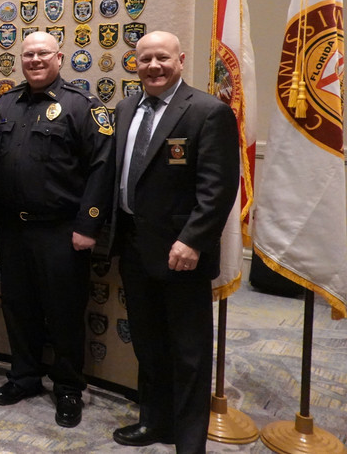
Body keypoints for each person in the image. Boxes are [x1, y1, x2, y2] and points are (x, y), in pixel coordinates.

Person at [110, 31, 238, 453]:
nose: (153, 66)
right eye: (144, 59)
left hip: (182, 253)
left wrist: (193, 240)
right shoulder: (127, 107)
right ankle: (154, 422)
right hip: (134, 246)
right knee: (148, 345)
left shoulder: (207, 111)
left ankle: (188, 441)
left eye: (162, 58)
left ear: (180, 60)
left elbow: (217, 188)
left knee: (189, 353)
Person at [0, 31, 114, 428]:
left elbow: (102, 167)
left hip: (62, 231)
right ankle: (24, 377)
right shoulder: (6, 103)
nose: (35, 60)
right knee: (18, 307)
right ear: (20, 60)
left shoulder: (82, 105)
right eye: (28, 55)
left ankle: (69, 388)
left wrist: (89, 224)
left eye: (43, 54)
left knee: (63, 312)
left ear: (60, 57)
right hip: (13, 229)